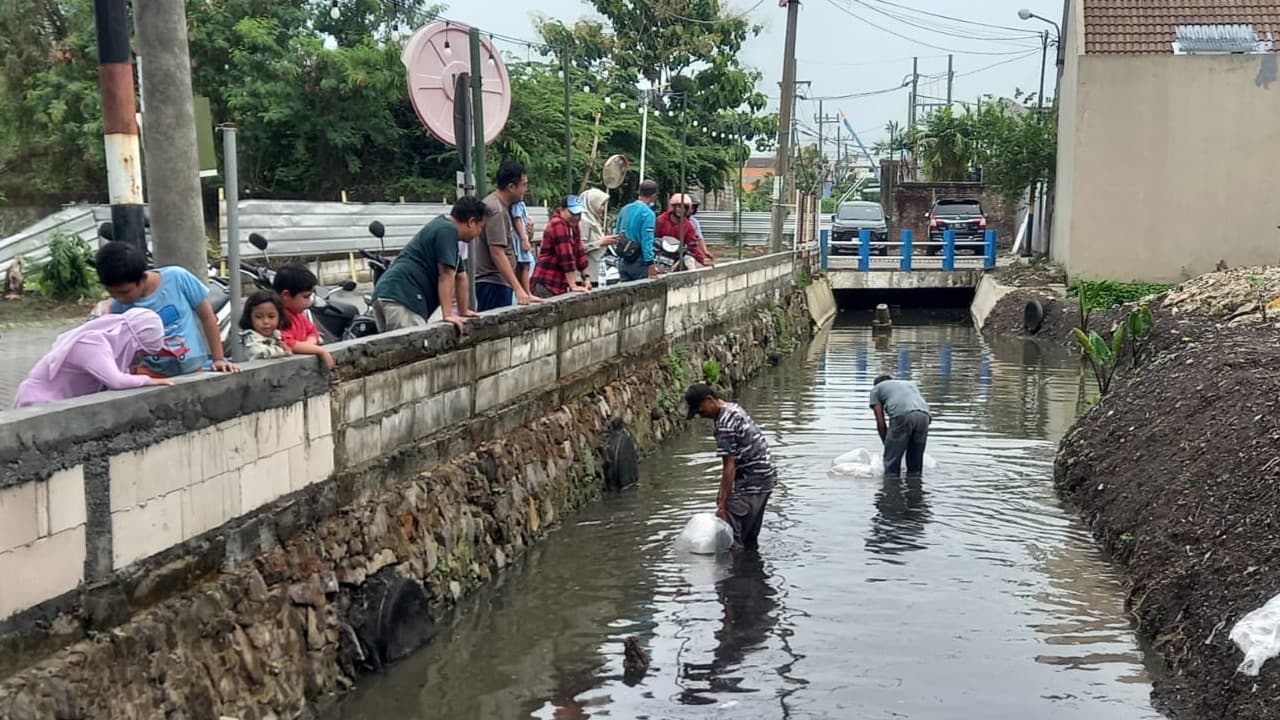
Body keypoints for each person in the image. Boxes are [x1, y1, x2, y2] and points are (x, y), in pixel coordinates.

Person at [95, 241, 239, 376]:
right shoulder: (118, 306)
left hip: (191, 368)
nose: (119, 298)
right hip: (148, 373)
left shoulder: (177, 278)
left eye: (124, 292)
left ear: (143, 278)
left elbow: (208, 317)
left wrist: (218, 359)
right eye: (112, 293)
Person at [371, 196, 486, 334]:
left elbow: (460, 276)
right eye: (480, 227)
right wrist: (448, 314)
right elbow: (446, 274)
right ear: (472, 222)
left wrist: (463, 310)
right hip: (403, 298)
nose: (479, 233)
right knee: (414, 350)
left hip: (385, 294)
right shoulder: (447, 231)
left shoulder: (443, 228)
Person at [13, 308, 173, 407]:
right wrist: (150, 380)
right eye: (141, 353)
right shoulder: (93, 343)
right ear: (133, 341)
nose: (138, 359)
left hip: (56, 404)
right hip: (38, 404)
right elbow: (116, 381)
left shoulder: (106, 345)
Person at [685, 383, 777, 552]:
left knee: (732, 542)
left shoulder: (724, 424)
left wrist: (722, 504)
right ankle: (753, 574)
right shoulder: (733, 408)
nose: (700, 414)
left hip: (750, 481)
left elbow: (729, 466)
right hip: (766, 479)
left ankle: (734, 577)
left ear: (710, 400)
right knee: (749, 538)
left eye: (699, 409)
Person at [475, 160, 540, 310]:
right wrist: (519, 289)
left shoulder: (507, 208)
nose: (525, 189)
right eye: (523, 185)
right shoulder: (496, 210)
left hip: (500, 282)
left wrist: (527, 236)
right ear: (511, 187)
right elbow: (497, 253)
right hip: (492, 282)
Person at [272, 264, 336, 369]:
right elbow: (288, 342)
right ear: (286, 295)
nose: (309, 301)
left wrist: (308, 345)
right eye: (306, 296)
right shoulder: (277, 317)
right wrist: (319, 350)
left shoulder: (299, 314)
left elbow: (312, 331)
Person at [869, 375, 933, 476]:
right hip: (924, 416)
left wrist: (888, 445)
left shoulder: (876, 389)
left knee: (891, 467)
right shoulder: (910, 384)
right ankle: (915, 488)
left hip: (902, 416)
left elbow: (881, 423)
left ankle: (891, 489)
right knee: (915, 463)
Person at [530, 195, 591, 298]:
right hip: (547, 282)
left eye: (579, 214)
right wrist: (573, 285)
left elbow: (580, 252)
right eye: (573, 213)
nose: (577, 217)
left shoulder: (574, 226)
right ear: (562, 210)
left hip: (559, 284)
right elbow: (566, 256)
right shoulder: (558, 224)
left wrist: (586, 278)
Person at [614, 179, 660, 283]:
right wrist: (650, 264)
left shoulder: (624, 209)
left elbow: (616, 233)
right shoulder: (648, 214)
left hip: (623, 259)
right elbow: (647, 240)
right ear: (654, 196)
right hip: (639, 261)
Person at [577, 188, 618, 287]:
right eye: (601, 205)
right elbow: (579, 248)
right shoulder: (584, 221)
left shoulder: (594, 220)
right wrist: (600, 242)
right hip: (584, 275)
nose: (603, 208)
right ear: (592, 203)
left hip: (595, 272)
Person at [656, 193, 709, 267]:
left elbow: (692, 245)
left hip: (677, 257)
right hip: (659, 255)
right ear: (673, 207)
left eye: (684, 207)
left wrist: (702, 259)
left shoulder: (688, 225)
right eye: (678, 207)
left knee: (689, 266)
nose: (680, 210)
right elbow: (654, 238)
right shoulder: (661, 220)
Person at [239, 291, 291, 361]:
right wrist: (282, 351)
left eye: (271, 316)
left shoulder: (276, 335)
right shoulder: (250, 336)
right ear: (249, 318)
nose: (266, 321)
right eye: (259, 317)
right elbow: (257, 352)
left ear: (280, 317)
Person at [510, 196, 536, 296]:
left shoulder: (521, 204)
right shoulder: (516, 204)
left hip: (523, 236)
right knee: (525, 265)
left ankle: (524, 291)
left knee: (524, 266)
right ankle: (526, 292)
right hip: (519, 239)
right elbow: (517, 220)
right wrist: (523, 238)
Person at [687, 195, 715, 266]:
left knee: (689, 263)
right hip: (670, 249)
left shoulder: (693, 222)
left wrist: (705, 251)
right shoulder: (667, 219)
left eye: (693, 208)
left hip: (687, 251)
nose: (690, 210)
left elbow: (699, 238)